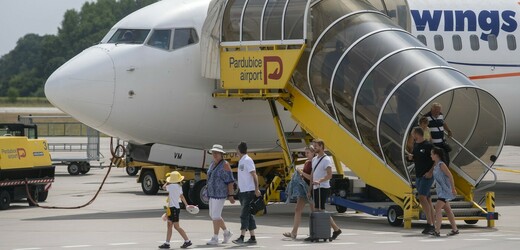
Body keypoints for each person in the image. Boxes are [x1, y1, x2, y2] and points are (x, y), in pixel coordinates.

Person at [306, 139, 342, 241]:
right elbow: (313, 174)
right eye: (313, 146)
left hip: (323, 187)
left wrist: (320, 180)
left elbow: (329, 175)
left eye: (316, 146)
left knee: (320, 210)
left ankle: (322, 232)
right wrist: (309, 189)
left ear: (321, 146)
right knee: (317, 210)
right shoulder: (314, 159)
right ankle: (322, 232)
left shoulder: (326, 159)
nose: (314, 148)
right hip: (315, 188)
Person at [283, 146, 316, 239]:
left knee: (316, 211)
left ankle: (333, 228)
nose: (306, 155)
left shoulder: (314, 162)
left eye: (308, 153)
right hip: (303, 190)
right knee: (297, 209)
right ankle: (294, 232)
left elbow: (311, 178)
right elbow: (305, 177)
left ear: (313, 153)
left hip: (311, 189)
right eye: (305, 153)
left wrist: (301, 173)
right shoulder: (307, 162)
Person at [407, 127, 435, 234]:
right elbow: (416, 157)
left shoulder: (428, 146)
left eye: (412, 134)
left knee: (422, 197)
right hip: (418, 175)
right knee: (427, 199)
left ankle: (429, 224)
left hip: (426, 175)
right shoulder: (416, 145)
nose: (412, 136)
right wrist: (411, 157)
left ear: (417, 134)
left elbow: (436, 160)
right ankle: (432, 223)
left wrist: (430, 172)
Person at [206, 144, 235, 245]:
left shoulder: (225, 165)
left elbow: (230, 181)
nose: (214, 154)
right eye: (213, 153)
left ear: (221, 154)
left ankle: (215, 237)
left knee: (215, 215)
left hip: (220, 193)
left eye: (217, 153)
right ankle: (227, 232)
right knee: (213, 215)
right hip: (212, 193)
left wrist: (231, 195)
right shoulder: (212, 163)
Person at [232, 142, 261, 245]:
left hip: (249, 191)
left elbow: (254, 175)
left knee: (244, 215)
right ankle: (253, 237)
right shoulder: (241, 161)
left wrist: (256, 189)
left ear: (239, 150)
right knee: (248, 215)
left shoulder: (248, 160)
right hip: (243, 192)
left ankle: (242, 237)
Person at [158, 171, 192, 249]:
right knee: (171, 226)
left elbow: (163, 187)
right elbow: (182, 197)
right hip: (175, 208)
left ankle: (187, 241)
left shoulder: (170, 186)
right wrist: (186, 205)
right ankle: (167, 243)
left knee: (175, 226)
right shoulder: (179, 187)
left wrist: (167, 182)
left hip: (172, 209)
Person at [430, 147, 459, 237]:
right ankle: (455, 229)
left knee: (437, 208)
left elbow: (450, 176)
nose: (430, 155)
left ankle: (437, 230)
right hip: (441, 190)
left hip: (445, 190)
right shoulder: (435, 165)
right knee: (448, 210)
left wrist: (453, 189)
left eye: (432, 154)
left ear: (436, 155)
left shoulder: (441, 164)